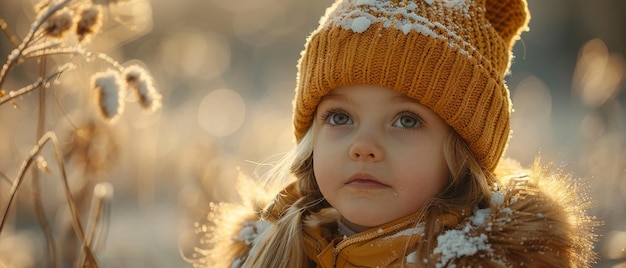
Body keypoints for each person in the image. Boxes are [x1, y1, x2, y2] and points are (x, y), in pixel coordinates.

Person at [192, 0, 598, 267]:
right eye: (339, 117)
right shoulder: (269, 253)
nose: (363, 147)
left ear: (462, 151)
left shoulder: (498, 260)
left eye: (406, 120)